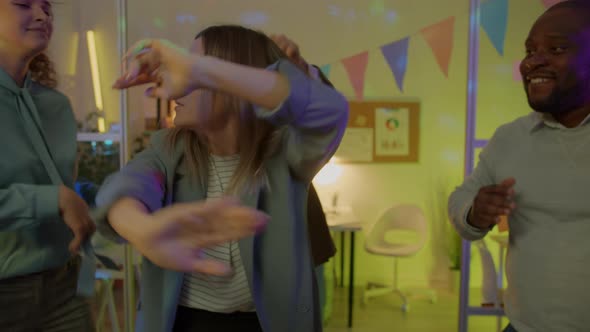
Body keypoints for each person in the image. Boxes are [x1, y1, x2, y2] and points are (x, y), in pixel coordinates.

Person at [94, 25, 348, 332]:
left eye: (194, 71)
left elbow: (330, 111)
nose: (174, 83)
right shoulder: (169, 149)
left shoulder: (285, 156)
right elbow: (124, 188)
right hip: (186, 321)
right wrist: (143, 230)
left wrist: (202, 70)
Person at [448, 1, 590, 331]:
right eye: (530, 50)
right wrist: (475, 211)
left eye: (556, 48)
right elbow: (460, 201)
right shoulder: (510, 139)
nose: (533, 61)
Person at [0, 1, 97, 330]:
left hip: (64, 289)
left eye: (47, 7)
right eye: (24, 3)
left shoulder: (56, 105)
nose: (42, 16)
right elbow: (57, 197)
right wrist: (52, 199)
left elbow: (66, 189)